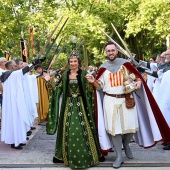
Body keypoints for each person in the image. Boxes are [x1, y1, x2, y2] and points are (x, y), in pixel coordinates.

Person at [86, 42, 170, 168]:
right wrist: (94, 82)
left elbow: (137, 77)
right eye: (108, 51)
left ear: (117, 51)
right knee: (115, 131)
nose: (111, 53)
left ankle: (126, 144)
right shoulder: (103, 68)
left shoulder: (125, 65)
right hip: (110, 102)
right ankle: (119, 155)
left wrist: (139, 83)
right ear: (106, 53)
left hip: (127, 100)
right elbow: (100, 88)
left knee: (130, 128)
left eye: (113, 50)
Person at [46, 54, 101, 169]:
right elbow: (58, 90)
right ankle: (67, 156)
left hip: (81, 105)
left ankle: (87, 156)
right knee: (69, 130)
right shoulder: (65, 75)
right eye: (71, 61)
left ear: (78, 62)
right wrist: (49, 82)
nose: (73, 63)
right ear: (69, 63)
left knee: (82, 130)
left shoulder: (85, 74)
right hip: (68, 106)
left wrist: (91, 82)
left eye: (75, 61)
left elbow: (90, 91)